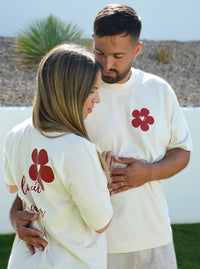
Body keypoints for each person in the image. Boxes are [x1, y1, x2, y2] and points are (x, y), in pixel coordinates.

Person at [8, 3, 192, 269]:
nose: (107, 64)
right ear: (92, 41)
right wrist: (16, 213)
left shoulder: (158, 90)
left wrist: (150, 172)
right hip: (95, 245)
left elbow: (182, 151)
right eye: (100, 53)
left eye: (119, 56)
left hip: (153, 236)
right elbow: (38, 157)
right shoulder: (73, 93)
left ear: (137, 49)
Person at [4, 44, 113, 269]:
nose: (97, 99)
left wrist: (14, 215)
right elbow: (100, 222)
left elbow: (19, 190)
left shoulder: (15, 135)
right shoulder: (77, 148)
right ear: (71, 91)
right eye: (93, 89)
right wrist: (103, 179)